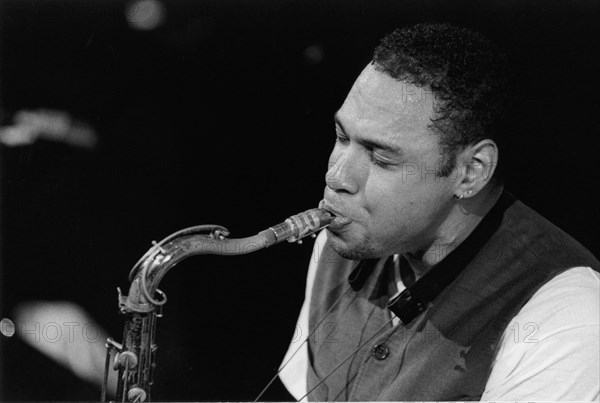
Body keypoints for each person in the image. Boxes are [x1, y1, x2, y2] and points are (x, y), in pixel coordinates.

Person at [278, 23, 599, 401]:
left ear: (471, 172)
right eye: (342, 137)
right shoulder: (340, 244)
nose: (336, 177)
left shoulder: (567, 315)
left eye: (381, 158)